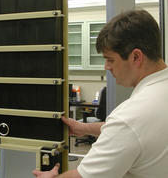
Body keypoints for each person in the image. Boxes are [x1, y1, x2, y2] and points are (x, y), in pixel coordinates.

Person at [32, 9, 168, 178]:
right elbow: (134, 132)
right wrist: (83, 128)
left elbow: (83, 176)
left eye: (110, 59)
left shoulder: (130, 117)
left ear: (136, 57)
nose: (106, 67)